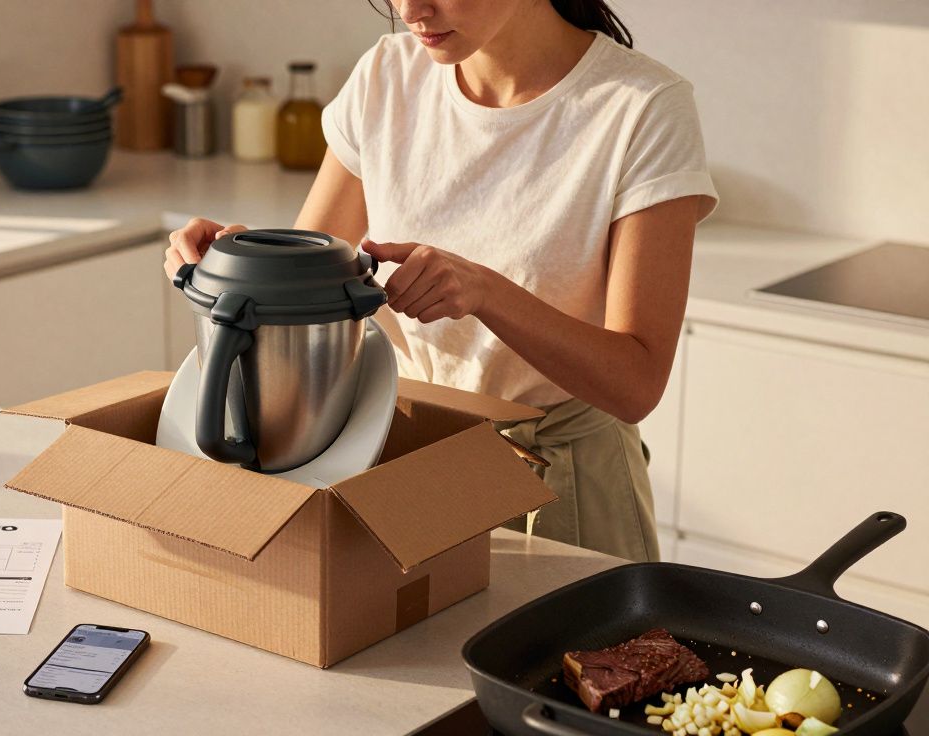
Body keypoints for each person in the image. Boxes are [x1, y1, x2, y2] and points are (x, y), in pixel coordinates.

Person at [164, 0, 718, 562]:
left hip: (559, 489)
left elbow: (636, 383)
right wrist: (233, 262)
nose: (411, 10)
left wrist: (486, 293)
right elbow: (308, 290)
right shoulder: (386, 76)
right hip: (402, 462)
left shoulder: (642, 107)